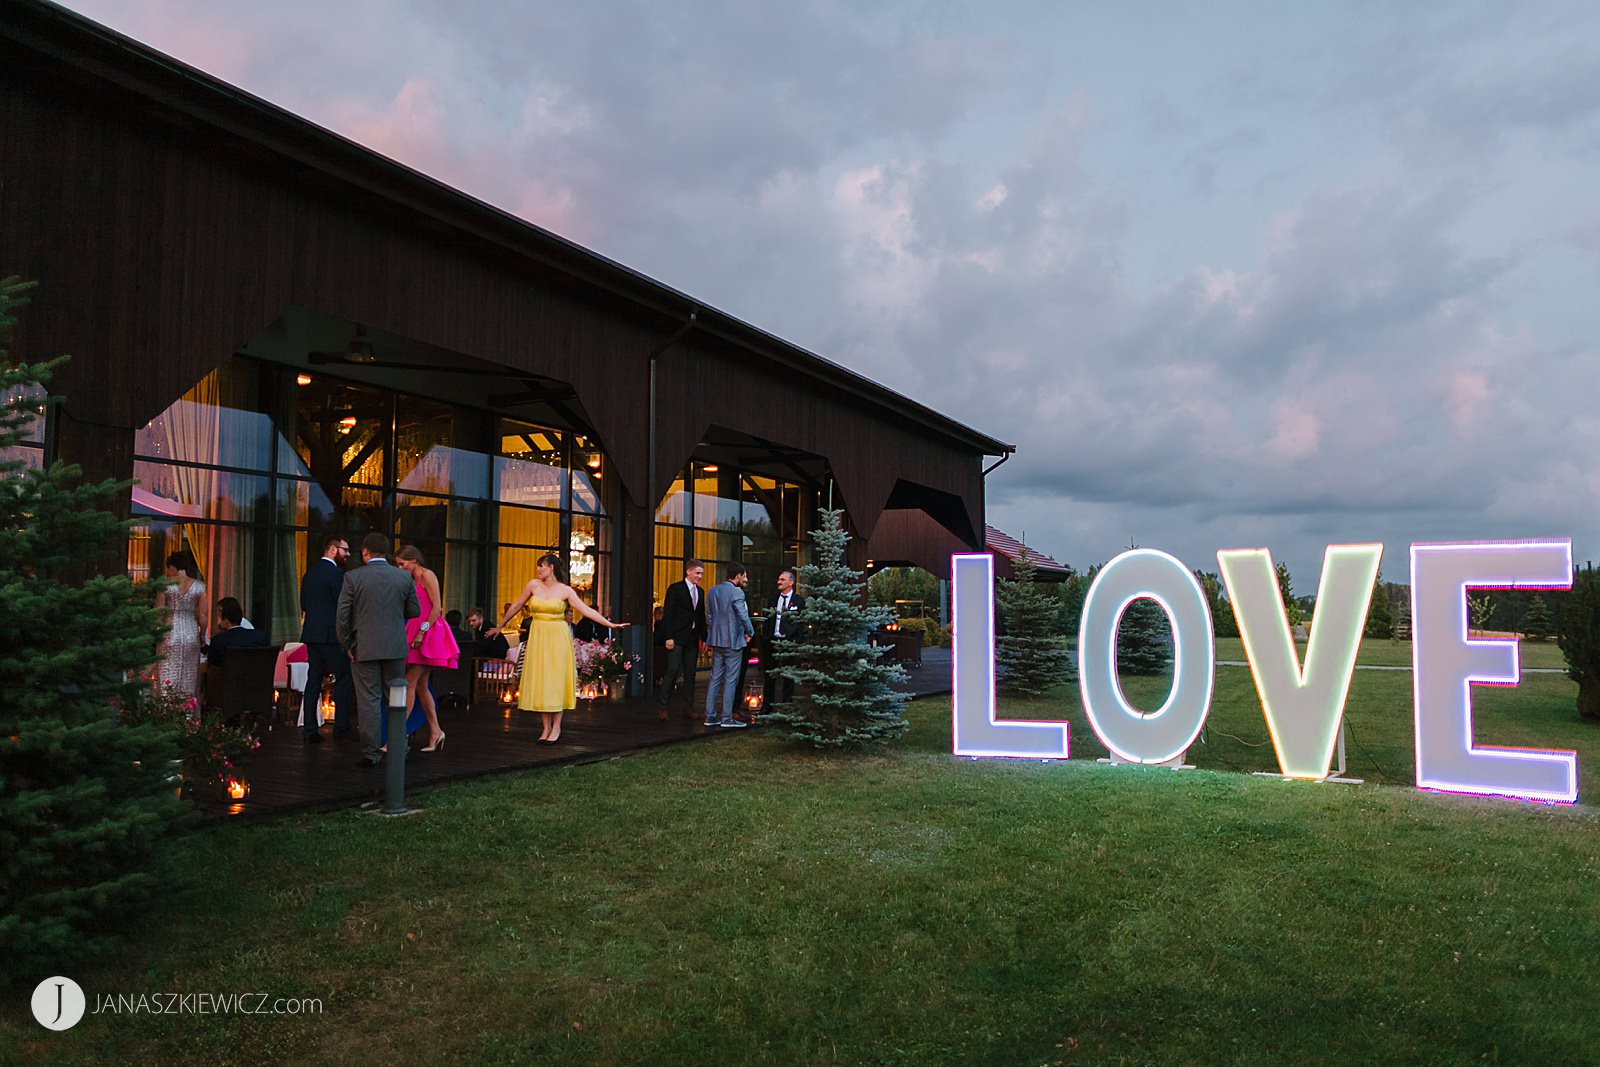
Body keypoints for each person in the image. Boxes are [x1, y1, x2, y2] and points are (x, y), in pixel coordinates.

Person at [490, 553, 626, 745]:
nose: (538, 570)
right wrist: (500, 625)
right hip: (538, 637)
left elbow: (585, 610)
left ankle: (556, 726)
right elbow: (517, 605)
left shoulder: (565, 591)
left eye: (542, 566)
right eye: (538, 567)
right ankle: (545, 727)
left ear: (551, 567)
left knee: (554, 679)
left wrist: (610, 625)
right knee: (542, 679)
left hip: (557, 637)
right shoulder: (533, 585)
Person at [336, 532, 420, 768]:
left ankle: (371, 753)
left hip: (365, 647)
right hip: (395, 646)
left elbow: (342, 615)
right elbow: (414, 610)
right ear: (386, 552)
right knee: (395, 698)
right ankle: (399, 747)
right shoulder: (403, 578)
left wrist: (347, 644)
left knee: (369, 701)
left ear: (365, 552)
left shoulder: (353, 578)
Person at [396, 545, 459, 753]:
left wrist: (422, 632)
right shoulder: (410, 580)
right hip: (415, 631)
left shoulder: (427, 575)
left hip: (428, 632)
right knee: (421, 686)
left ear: (414, 560)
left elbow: (437, 607)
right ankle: (435, 730)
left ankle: (397, 735)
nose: (400, 568)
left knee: (410, 682)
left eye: (402, 564)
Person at [299, 535, 353, 743]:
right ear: (332, 549)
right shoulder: (337, 575)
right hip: (332, 635)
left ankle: (310, 729)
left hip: (312, 633)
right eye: (344, 550)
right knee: (343, 676)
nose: (347, 554)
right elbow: (343, 608)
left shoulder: (310, 573)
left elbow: (304, 603)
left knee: (313, 680)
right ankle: (340, 727)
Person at [704, 562, 755, 728]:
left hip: (717, 639)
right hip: (733, 641)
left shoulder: (713, 591)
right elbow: (742, 615)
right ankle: (726, 717)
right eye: (744, 576)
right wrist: (751, 632)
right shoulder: (737, 592)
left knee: (715, 678)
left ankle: (710, 716)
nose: (745, 579)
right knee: (731, 679)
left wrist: (713, 633)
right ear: (738, 575)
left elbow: (709, 617)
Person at [655, 559, 707, 721]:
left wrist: (704, 638)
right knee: (673, 671)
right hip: (676, 637)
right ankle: (662, 706)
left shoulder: (700, 591)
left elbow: (700, 616)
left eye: (701, 574)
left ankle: (688, 708)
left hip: (692, 638)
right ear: (688, 571)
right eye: (698, 573)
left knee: (690, 674)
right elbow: (668, 615)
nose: (700, 576)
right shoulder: (675, 589)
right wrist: (669, 637)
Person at [156, 551, 205, 697]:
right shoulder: (200, 586)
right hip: (191, 634)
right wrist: (202, 634)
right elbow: (203, 614)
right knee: (189, 677)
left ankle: (166, 710)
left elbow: (158, 612)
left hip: (169, 633)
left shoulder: (165, 585)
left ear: (172, 567)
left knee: (167, 675)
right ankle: (187, 714)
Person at [762, 567, 807, 708]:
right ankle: (767, 707)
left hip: (789, 642)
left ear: (791, 583)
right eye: (779, 579)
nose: (779, 582)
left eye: (782, 579)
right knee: (769, 675)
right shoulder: (773, 599)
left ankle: (787, 706)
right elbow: (767, 619)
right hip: (773, 641)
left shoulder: (799, 601)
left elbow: (802, 623)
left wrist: (796, 640)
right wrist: (766, 637)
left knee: (788, 676)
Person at [204, 597, 267, 668]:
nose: (217, 621)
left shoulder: (218, 641)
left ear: (226, 620)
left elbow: (212, 669)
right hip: (255, 679)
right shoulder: (260, 637)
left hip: (228, 678)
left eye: (218, 617)